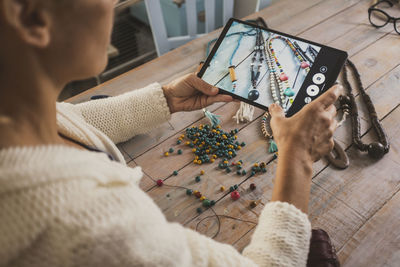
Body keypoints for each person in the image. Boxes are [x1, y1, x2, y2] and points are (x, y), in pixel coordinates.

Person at [0, 0, 341, 266]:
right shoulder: (84, 221)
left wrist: (164, 99)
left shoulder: (16, 113)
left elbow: (66, 119)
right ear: (31, 18)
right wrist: (298, 157)